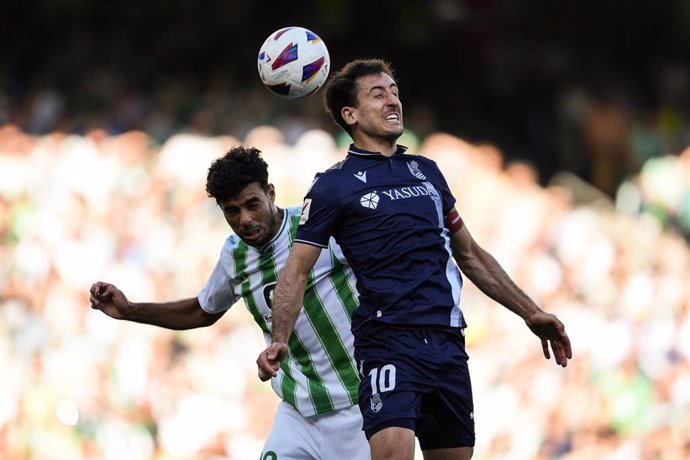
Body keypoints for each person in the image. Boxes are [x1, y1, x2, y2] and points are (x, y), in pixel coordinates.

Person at [257, 59, 573, 460]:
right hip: (388, 342)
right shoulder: (332, 186)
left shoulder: (427, 172)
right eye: (378, 93)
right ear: (349, 114)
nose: (393, 100)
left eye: (395, 91)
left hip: (446, 342)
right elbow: (296, 269)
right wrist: (280, 338)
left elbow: (470, 254)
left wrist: (530, 312)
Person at [89, 146, 370, 460]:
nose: (245, 220)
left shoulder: (317, 229)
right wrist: (130, 310)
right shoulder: (235, 254)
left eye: (252, 204)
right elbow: (202, 310)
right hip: (298, 412)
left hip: (356, 407)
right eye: (232, 211)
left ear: (271, 194)